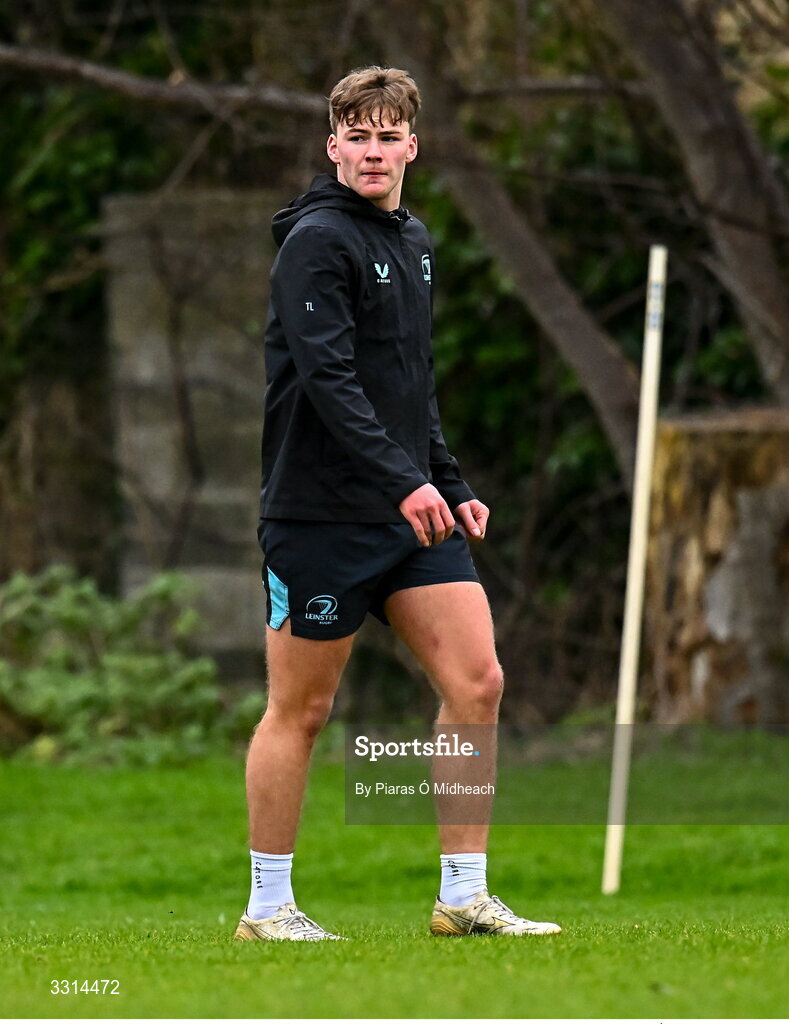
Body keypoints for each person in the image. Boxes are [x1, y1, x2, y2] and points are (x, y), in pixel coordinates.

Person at [234, 66, 561, 941]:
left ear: (411, 146)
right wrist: (405, 480)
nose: (373, 152)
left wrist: (448, 484)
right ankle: (268, 908)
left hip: (410, 514)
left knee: (477, 680)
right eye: (357, 135)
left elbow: (408, 388)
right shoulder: (315, 242)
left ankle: (462, 897)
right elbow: (329, 381)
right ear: (332, 145)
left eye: (388, 137)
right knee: (300, 711)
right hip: (318, 518)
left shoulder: (412, 241)